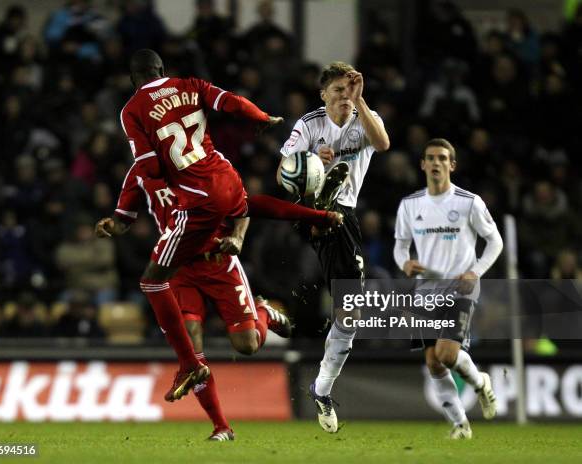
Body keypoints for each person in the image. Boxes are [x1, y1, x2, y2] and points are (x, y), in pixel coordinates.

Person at [106, 49, 340, 403]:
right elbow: (231, 102)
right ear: (162, 70)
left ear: (131, 78)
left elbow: (150, 168)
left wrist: (162, 171)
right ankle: (214, 413)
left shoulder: (132, 113)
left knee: (158, 284)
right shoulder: (191, 86)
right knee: (242, 207)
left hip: (207, 231)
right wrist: (263, 117)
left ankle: (257, 313)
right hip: (206, 214)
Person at [97, 165, 291, 441]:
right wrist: (111, 227)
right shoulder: (140, 172)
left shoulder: (201, 163)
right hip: (177, 267)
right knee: (192, 346)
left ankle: (263, 313)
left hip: (218, 263)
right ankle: (221, 426)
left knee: (246, 345)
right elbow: (123, 218)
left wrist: (237, 236)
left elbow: (241, 205)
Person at [278, 61, 390, 432]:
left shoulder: (364, 118)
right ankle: (321, 197)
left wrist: (363, 100)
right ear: (323, 94)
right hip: (312, 209)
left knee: (350, 313)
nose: (345, 97)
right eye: (338, 91)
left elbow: (383, 144)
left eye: (349, 90)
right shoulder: (309, 124)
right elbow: (283, 171)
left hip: (345, 219)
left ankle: (322, 389)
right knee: (323, 201)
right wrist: (309, 161)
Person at [393, 138, 503, 439]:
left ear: (451, 164)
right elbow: (400, 247)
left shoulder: (469, 202)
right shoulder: (410, 205)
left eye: (443, 158)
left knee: (447, 353)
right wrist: (405, 264)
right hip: (425, 291)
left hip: (460, 289)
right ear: (423, 165)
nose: (437, 162)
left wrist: (475, 271)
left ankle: (481, 383)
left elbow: (495, 241)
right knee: (432, 361)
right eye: (431, 158)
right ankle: (460, 424)